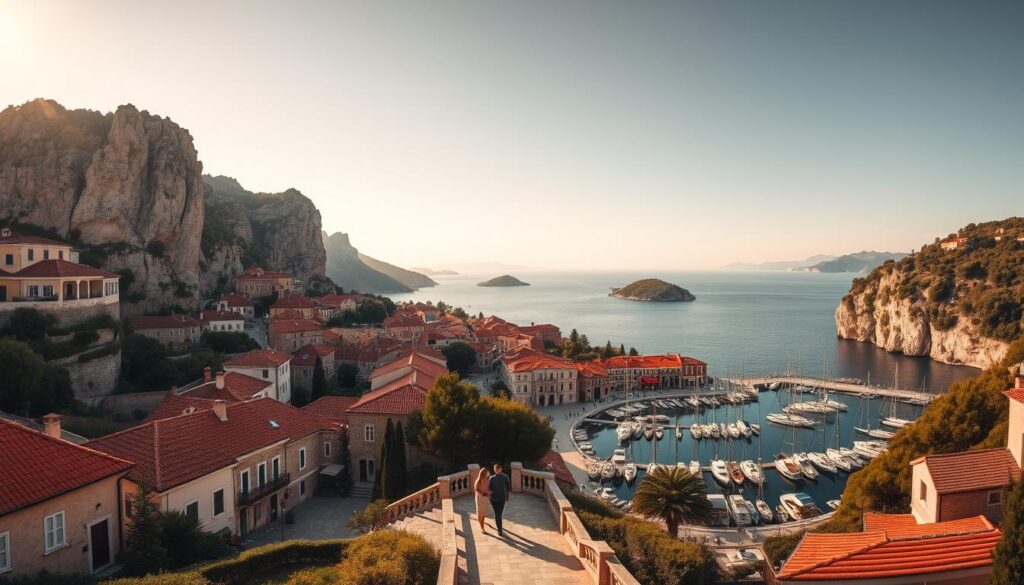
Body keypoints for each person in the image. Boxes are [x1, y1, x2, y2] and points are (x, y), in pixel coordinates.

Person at [487, 462, 511, 536]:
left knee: (498, 514)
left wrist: (507, 497)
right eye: (495, 468)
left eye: (497, 468)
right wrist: (489, 498)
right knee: (498, 514)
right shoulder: (491, 478)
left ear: (501, 469)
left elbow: (508, 488)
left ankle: (499, 529)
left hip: (501, 498)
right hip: (494, 499)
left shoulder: (505, 477)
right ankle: (500, 529)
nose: (496, 470)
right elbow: (490, 489)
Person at [474, 467, 492, 533]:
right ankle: (481, 526)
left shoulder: (488, 479)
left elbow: (489, 488)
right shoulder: (478, 481)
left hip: (485, 498)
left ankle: (481, 524)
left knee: (484, 512)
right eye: (486, 472)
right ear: (483, 473)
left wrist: (489, 493)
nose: (488, 473)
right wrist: (485, 493)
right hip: (480, 498)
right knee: (480, 511)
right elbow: (477, 490)